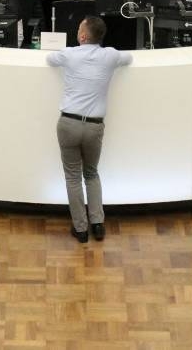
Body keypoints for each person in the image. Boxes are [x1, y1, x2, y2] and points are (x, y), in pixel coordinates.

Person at [47, 16, 132, 243]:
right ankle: (98, 224)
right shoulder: (111, 55)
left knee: (73, 177)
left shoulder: (70, 54)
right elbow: (129, 57)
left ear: (83, 36)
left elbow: (49, 58)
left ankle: (81, 229)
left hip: (68, 125)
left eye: (78, 29)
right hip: (94, 126)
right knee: (91, 174)